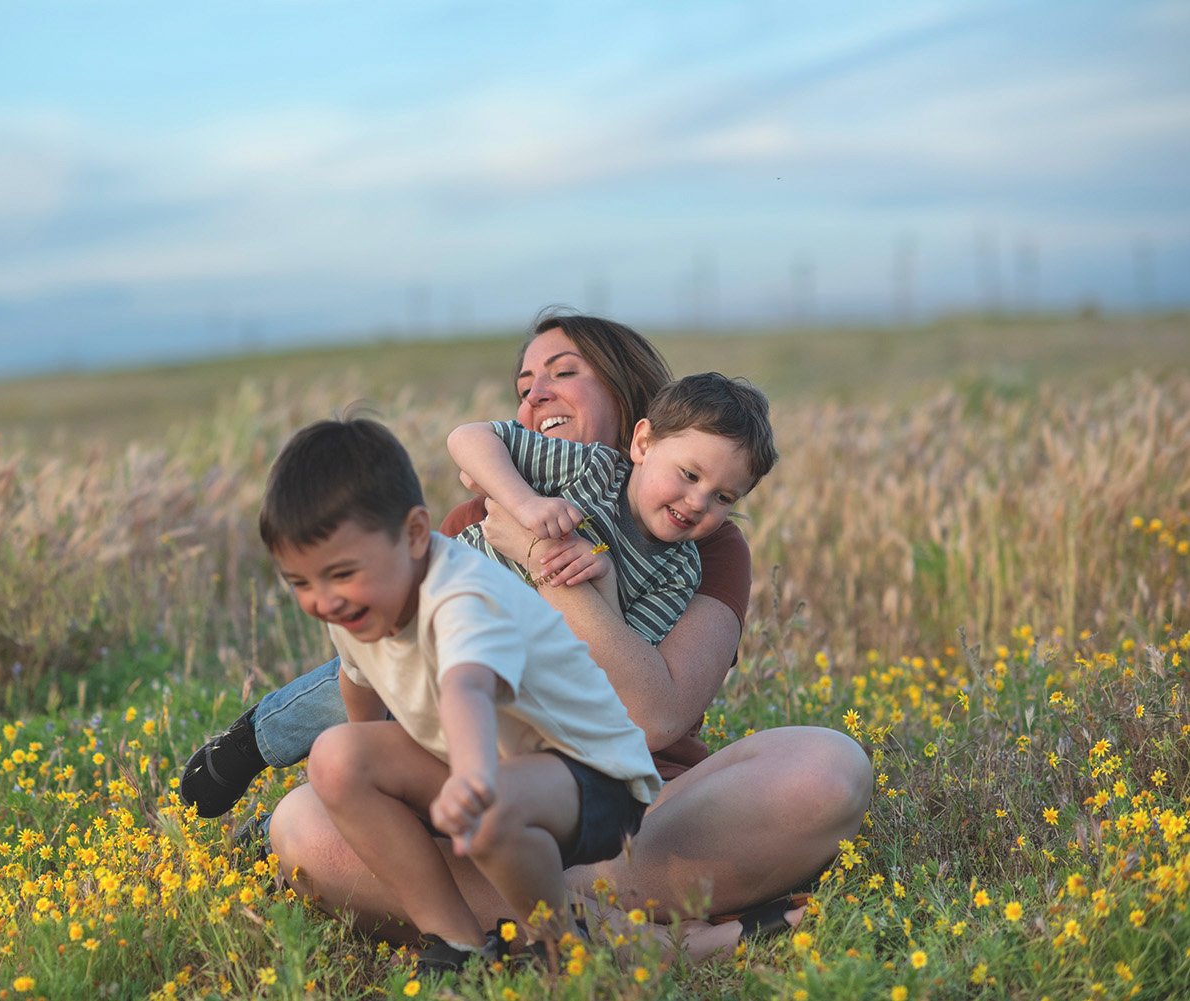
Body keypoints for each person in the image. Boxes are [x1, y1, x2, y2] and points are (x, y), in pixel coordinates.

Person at [189, 312, 871, 959]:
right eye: (523, 386)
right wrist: (520, 512)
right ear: (645, 441)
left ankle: (538, 909)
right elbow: (401, 678)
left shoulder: (701, 548)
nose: (536, 394)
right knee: (304, 823)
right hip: (488, 793)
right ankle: (642, 932)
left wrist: (560, 577)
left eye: (562, 372)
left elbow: (654, 712)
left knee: (827, 769)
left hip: (640, 818)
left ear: (630, 400)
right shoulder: (480, 514)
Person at [258, 416, 662, 974]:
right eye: (301, 583)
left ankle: (564, 952)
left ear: (417, 534)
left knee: (486, 810)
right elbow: (359, 683)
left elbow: (465, 685)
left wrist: (471, 781)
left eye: (341, 574)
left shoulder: (462, 596)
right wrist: (369, 781)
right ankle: (457, 945)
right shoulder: (356, 608)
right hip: (495, 764)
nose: (323, 600)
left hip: (592, 775)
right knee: (335, 758)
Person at [447, 371, 778, 647]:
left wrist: (606, 579)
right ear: (643, 443)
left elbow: (624, 661)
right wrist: (525, 504)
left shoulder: (678, 573)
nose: (698, 503)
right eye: (689, 475)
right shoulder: (592, 469)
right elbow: (467, 437)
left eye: (723, 497)